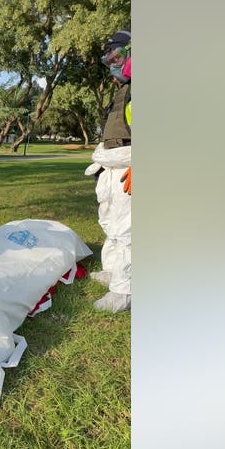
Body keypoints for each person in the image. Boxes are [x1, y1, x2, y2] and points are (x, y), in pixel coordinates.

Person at [84, 29, 132, 312]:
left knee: (128, 228)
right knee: (111, 222)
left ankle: (124, 291)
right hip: (113, 164)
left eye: (116, 57)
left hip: (130, 167)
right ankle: (113, 271)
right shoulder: (123, 90)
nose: (112, 65)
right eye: (108, 60)